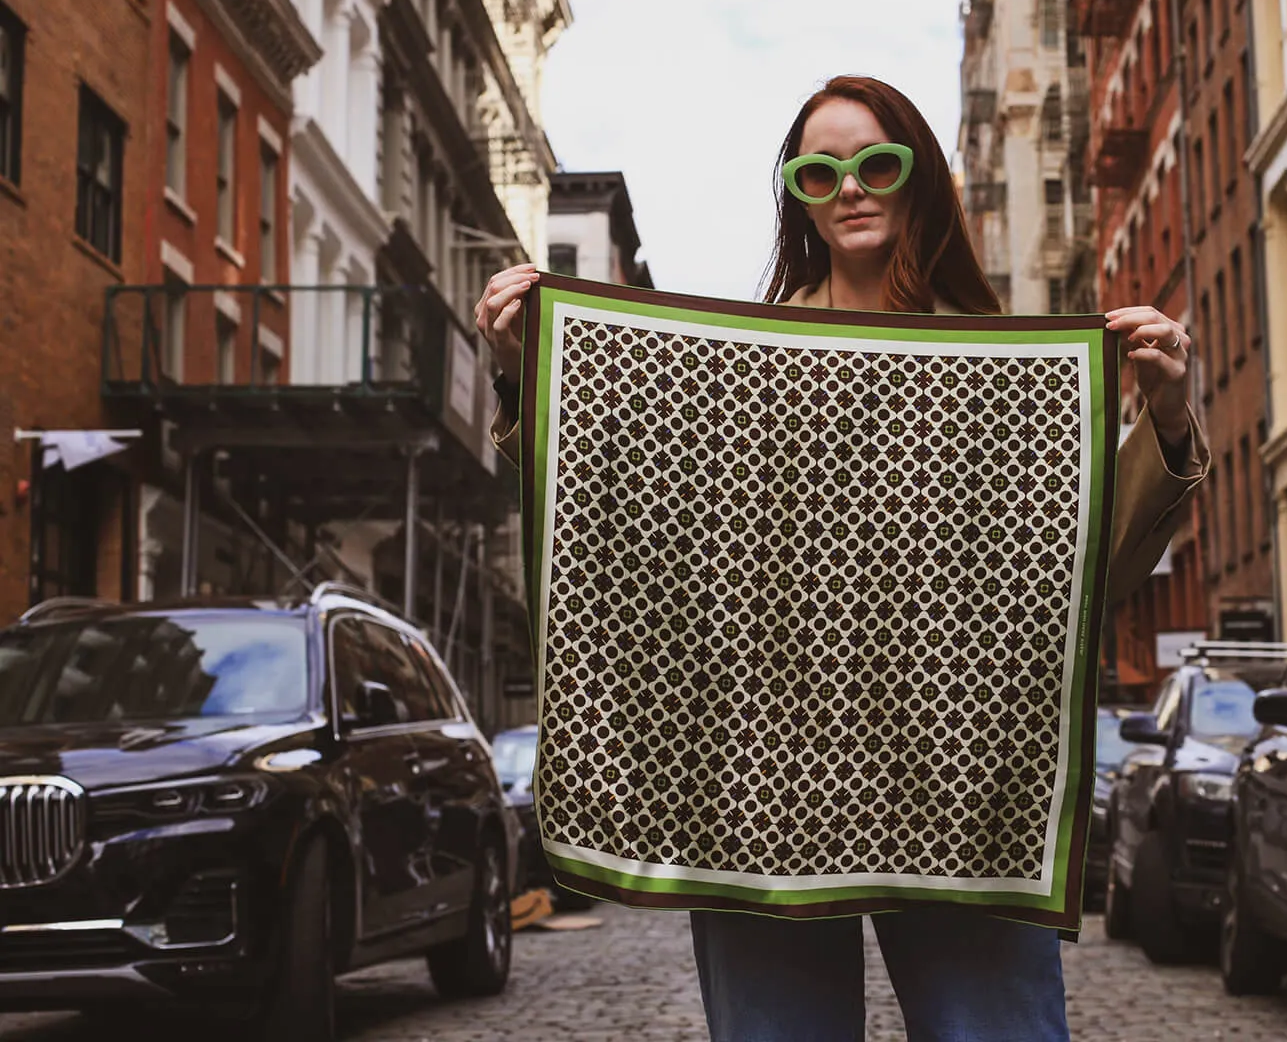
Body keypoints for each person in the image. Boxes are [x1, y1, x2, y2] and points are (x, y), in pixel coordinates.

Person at [475, 75, 1207, 1041]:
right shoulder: (733, 371)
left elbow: (1080, 582)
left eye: (877, 162)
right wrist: (533, 371)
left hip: (961, 771)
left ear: (920, 179)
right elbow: (627, 516)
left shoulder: (1010, 372)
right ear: (798, 196)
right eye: (820, 171)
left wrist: (1164, 415)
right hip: (754, 766)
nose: (850, 187)